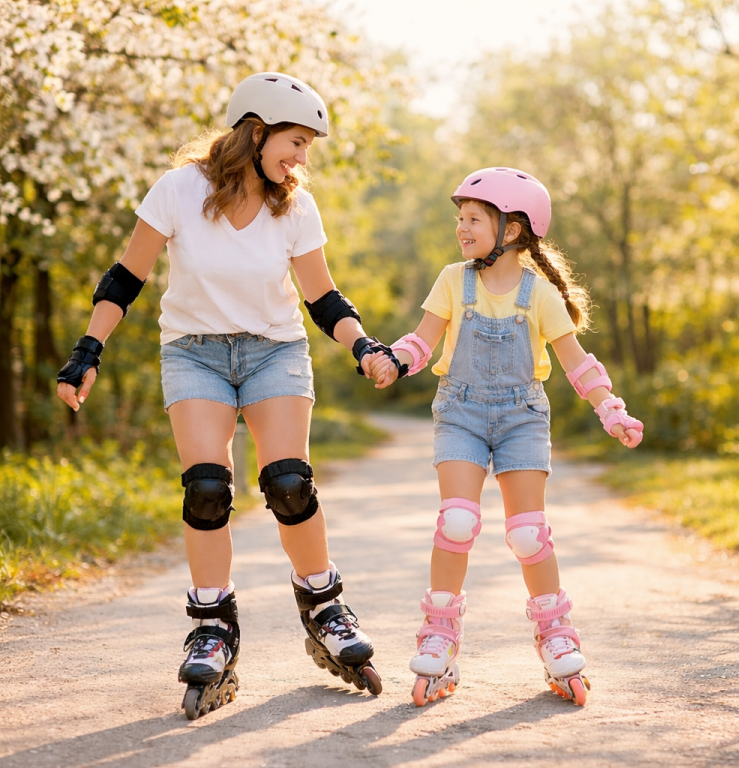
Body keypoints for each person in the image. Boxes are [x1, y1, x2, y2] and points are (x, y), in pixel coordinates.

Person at [56, 72, 400, 719]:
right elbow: (125, 276)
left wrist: (364, 346)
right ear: (257, 129)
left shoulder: (295, 204)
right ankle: (214, 625)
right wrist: (87, 351)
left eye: (306, 148)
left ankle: (324, 605)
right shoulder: (181, 189)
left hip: (274, 350)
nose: (301, 159)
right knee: (207, 488)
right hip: (195, 352)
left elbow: (322, 297)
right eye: (296, 142)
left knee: (289, 481)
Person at [369, 167, 643, 707]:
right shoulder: (453, 279)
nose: (462, 228)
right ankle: (440, 633)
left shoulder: (540, 295)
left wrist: (609, 408)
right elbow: (423, 341)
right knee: (458, 519)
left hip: (521, 418)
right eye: (460, 219)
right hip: (461, 412)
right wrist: (396, 361)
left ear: (512, 230)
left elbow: (576, 364)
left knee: (527, 533)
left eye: (474, 219)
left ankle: (555, 632)